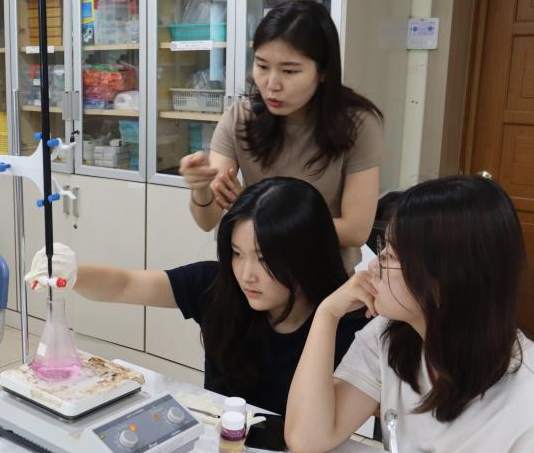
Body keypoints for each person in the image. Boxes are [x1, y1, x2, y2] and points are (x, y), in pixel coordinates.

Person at [286, 176, 534, 453]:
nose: (373, 266)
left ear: (444, 278)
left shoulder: (525, 398)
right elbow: (306, 437)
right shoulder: (388, 336)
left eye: (389, 255)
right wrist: (327, 314)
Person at [27, 177, 368, 415]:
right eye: (237, 253)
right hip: (223, 447)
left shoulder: (348, 326)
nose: (246, 274)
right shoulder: (217, 285)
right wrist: (75, 273)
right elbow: (126, 284)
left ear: (306, 257)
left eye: (264, 260)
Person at [179, 0, 384, 273]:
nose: (272, 84)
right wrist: (201, 188)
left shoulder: (357, 125)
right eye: (262, 66)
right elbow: (207, 221)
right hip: (252, 276)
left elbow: (355, 230)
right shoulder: (240, 119)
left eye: (289, 71)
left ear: (323, 71)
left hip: (323, 281)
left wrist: (256, 212)